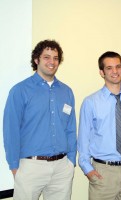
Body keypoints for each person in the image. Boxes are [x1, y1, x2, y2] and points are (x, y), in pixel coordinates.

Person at [3, 39, 77, 200]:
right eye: (47, 57)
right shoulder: (20, 90)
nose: (52, 62)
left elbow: (71, 129)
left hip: (62, 168)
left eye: (56, 58)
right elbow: (11, 130)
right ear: (36, 60)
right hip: (30, 167)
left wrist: (71, 161)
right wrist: (14, 166)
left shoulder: (67, 92)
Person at [77, 51, 121, 200]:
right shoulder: (91, 102)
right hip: (103, 173)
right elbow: (83, 139)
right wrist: (89, 170)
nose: (115, 71)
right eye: (109, 68)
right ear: (101, 72)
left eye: (118, 67)